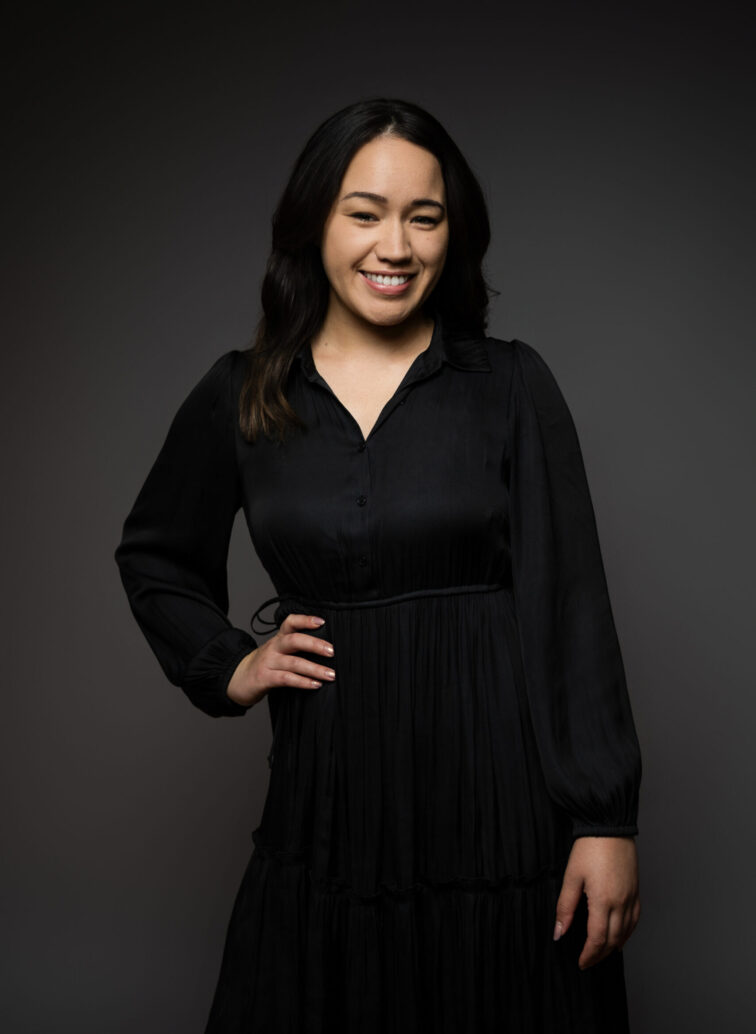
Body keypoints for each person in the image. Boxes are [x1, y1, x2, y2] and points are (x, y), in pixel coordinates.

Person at [114, 97, 642, 1033]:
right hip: (328, 806)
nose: (394, 246)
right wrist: (229, 664)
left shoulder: (510, 384)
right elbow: (155, 556)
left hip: (501, 808)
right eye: (364, 213)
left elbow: (571, 606)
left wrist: (605, 820)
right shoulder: (244, 394)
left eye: (423, 218)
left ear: (452, 232)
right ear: (314, 223)